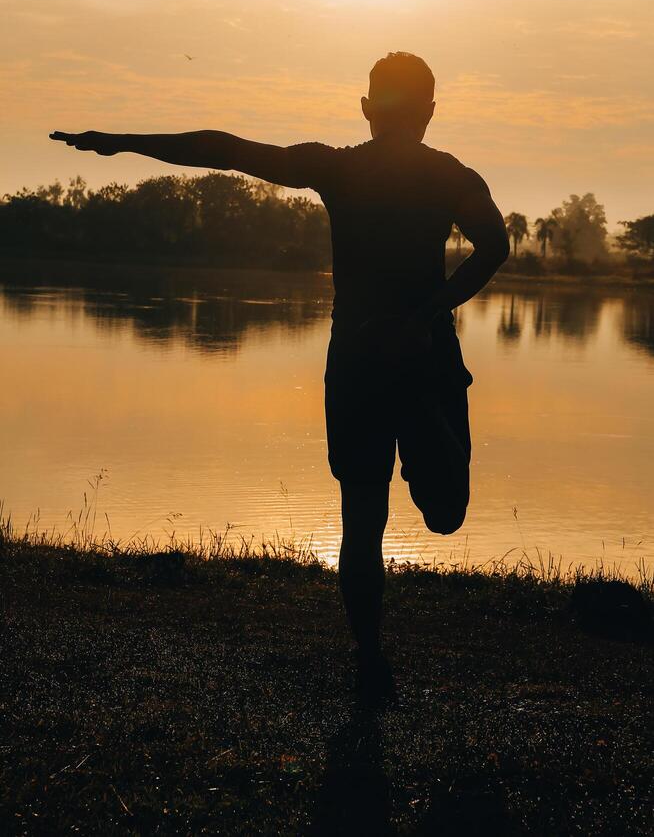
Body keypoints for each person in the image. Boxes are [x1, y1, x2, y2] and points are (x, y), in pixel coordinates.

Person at [50, 51, 510, 709]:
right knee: (442, 514)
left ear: (365, 109)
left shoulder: (338, 167)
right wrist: (432, 312)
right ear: (431, 113)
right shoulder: (450, 177)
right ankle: (370, 663)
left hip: (361, 363)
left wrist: (123, 142)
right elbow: (494, 246)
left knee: (364, 522)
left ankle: (369, 657)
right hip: (420, 357)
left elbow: (226, 149)